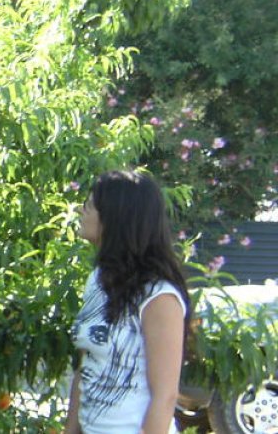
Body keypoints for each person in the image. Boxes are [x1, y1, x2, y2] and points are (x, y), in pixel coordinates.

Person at [64, 171, 191, 434]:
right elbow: (85, 366)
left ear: (115, 218)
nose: (81, 210)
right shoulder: (99, 280)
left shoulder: (159, 297)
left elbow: (165, 396)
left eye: (89, 205)